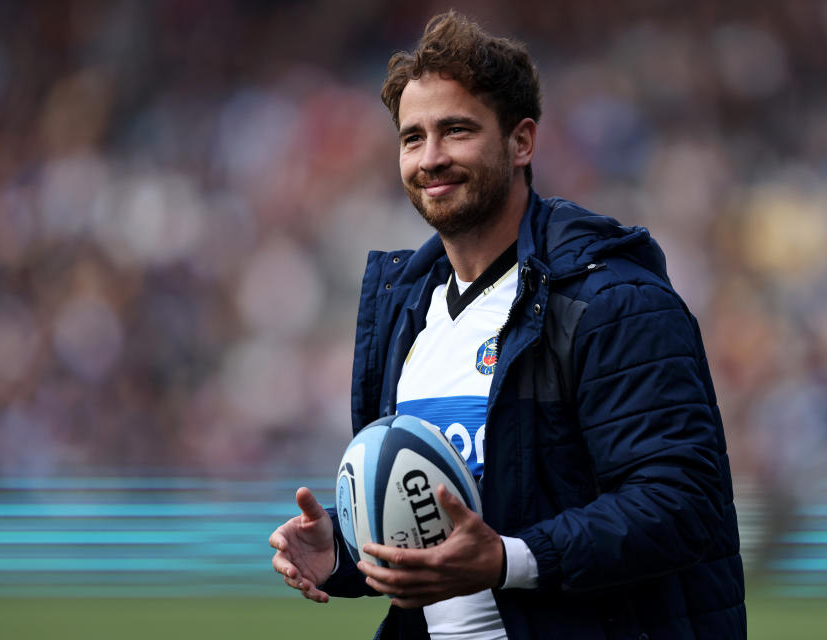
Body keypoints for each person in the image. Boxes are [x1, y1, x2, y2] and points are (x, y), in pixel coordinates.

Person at [270, 10, 746, 639]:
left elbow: (680, 506)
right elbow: (459, 517)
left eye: (456, 131)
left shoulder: (612, 302)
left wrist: (505, 560)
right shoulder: (406, 312)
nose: (430, 158)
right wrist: (347, 550)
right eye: (413, 138)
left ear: (522, 142)